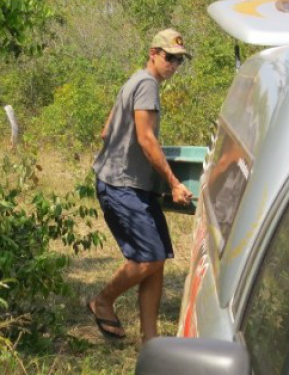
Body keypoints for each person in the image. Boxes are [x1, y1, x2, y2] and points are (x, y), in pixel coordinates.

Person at [87, 29, 194, 343]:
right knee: (149, 258)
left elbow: (107, 131)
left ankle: (150, 340)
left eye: (179, 60)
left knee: (156, 259)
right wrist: (174, 182)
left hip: (129, 183)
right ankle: (102, 301)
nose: (174, 65)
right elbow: (146, 139)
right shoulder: (147, 84)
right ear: (153, 53)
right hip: (122, 185)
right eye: (169, 57)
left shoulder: (134, 81)